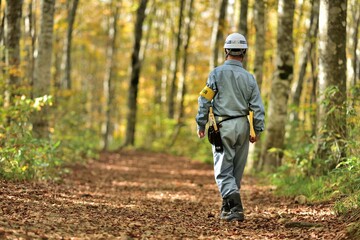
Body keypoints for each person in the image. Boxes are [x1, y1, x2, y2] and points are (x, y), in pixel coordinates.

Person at [195, 33, 265, 222]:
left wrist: (201, 123)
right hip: (243, 126)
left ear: (226, 50)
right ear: (244, 52)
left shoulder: (215, 74)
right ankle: (228, 208)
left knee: (223, 170)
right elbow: (258, 107)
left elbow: (204, 100)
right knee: (235, 170)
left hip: (222, 126)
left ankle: (235, 208)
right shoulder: (250, 78)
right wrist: (256, 130)